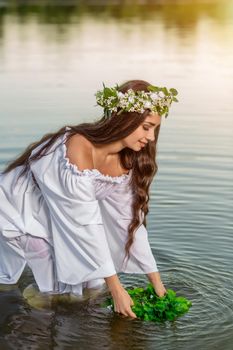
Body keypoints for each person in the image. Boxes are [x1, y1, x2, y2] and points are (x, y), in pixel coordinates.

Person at [0, 79, 178, 318]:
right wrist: (117, 289)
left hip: (59, 215)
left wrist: (157, 283)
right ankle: (27, 325)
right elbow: (84, 224)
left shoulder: (127, 162)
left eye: (155, 129)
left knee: (93, 283)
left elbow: (128, 223)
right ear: (124, 118)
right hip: (21, 210)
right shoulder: (77, 148)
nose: (151, 137)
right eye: (146, 127)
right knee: (53, 287)